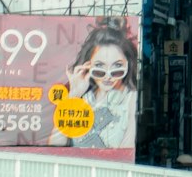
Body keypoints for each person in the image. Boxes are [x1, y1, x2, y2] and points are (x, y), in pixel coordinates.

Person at [50, 21, 138, 150]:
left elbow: (128, 150)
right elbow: (54, 147)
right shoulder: (80, 99)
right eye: (99, 67)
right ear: (87, 65)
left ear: (128, 65)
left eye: (117, 67)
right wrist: (73, 96)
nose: (108, 76)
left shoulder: (131, 98)